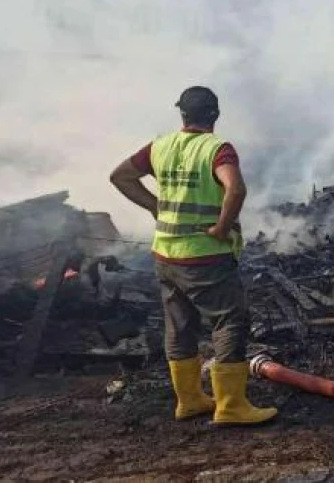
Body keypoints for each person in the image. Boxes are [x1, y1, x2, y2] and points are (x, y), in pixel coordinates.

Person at [109, 86, 276, 426]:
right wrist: (221, 228)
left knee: (180, 325)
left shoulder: (160, 146)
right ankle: (231, 406)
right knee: (230, 320)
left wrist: (155, 207)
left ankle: (189, 401)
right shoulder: (217, 149)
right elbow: (236, 188)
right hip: (204, 257)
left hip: (166, 254)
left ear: (181, 114)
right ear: (214, 114)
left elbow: (120, 176)